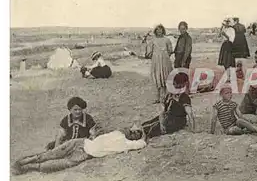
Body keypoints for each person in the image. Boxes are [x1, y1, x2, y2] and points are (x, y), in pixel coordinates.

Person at [12, 124, 147, 175]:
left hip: (84, 154)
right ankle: (25, 161)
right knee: (51, 154)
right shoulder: (119, 133)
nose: (132, 132)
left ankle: (27, 167)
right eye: (133, 131)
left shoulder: (126, 144)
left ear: (134, 138)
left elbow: (142, 143)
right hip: (81, 143)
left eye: (135, 133)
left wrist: (143, 136)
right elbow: (98, 132)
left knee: (55, 165)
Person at [141, 73, 195, 137]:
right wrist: (161, 120)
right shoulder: (170, 95)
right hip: (167, 117)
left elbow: (190, 114)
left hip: (177, 121)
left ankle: (136, 135)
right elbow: (162, 110)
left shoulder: (184, 98)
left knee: (151, 129)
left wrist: (193, 130)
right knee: (145, 124)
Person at [148, 24, 174, 104]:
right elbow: (149, 52)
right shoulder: (152, 41)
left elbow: (170, 50)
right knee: (157, 78)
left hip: (165, 61)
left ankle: (167, 97)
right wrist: (156, 56)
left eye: (161, 29)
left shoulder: (167, 40)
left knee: (166, 77)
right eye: (158, 30)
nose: (159, 31)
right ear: (155, 31)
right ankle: (158, 98)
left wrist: (164, 56)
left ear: (163, 30)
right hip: (156, 62)